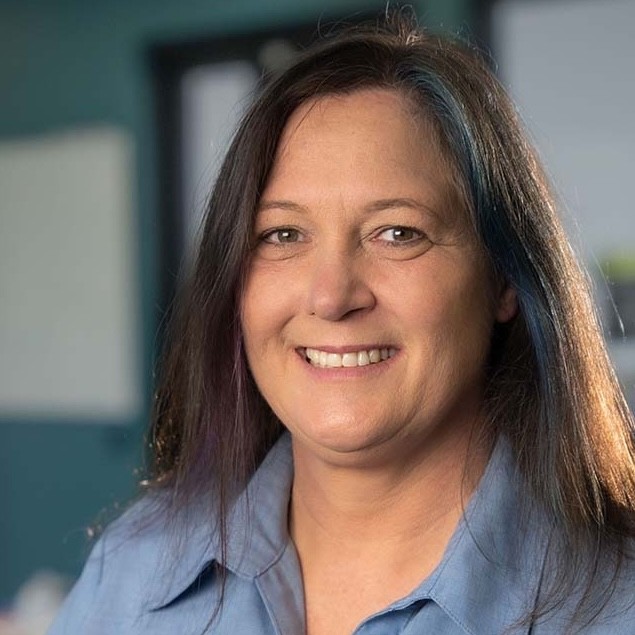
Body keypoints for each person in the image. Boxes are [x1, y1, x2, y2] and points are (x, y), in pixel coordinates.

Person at [48, 14, 635, 635]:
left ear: (503, 279)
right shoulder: (135, 568)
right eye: (283, 235)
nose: (331, 297)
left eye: (397, 233)